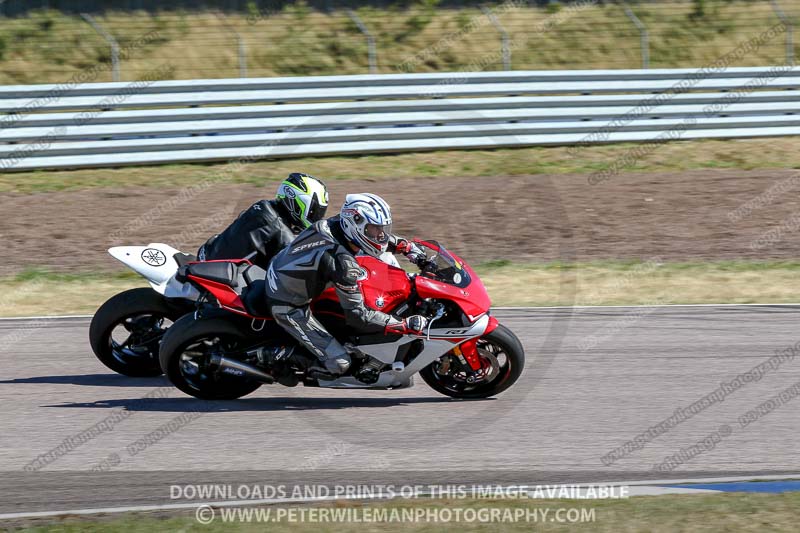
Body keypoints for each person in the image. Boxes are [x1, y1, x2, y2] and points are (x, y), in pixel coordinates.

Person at [265, 193, 429, 376]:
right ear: (355, 224)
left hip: (286, 270)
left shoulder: (338, 224)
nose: (380, 234)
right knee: (339, 363)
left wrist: (406, 247)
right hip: (288, 303)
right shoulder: (343, 263)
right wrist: (402, 324)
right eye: (374, 229)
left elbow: (377, 240)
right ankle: (276, 356)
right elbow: (359, 316)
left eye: (382, 228)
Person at [197, 173, 329, 269]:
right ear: (299, 203)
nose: (316, 216)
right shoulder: (278, 227)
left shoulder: (265, 206)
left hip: (209, 253)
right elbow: (295, 258)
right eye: (314, 211)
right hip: (218, 274)